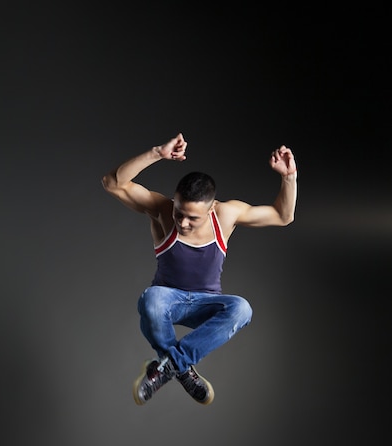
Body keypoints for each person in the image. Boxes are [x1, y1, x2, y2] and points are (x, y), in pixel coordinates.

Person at [101, 133, 297, 406]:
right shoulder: (162, 210)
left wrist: (289, 178)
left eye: (192, 218)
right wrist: (157, 152)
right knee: (151, 299)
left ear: (211, 209)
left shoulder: (226, 215)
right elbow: (112, 183)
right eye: (179, 212)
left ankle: (168, 365)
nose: (182, 222)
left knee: (242, 308)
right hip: (168, 302)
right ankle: (182, 369)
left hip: (205, 305)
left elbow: (283, 215)